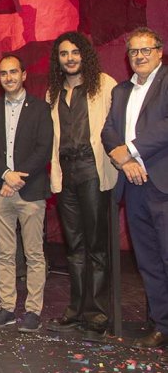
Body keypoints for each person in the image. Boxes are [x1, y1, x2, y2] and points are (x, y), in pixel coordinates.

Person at [46, 32, 118, 339]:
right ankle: (75, 309)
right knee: (74, 248)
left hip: (93, 170)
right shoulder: (54, 92)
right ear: (58, 60)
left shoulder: (104, 84)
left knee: (96, 247)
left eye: (75, 52)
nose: (70, 58)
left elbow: (116, 128)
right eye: (64, 53)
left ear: (84, 54)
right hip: (66, 174)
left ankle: (97, 312)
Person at [102, 27, 168, 348]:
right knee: (149, 261)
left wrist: (133, 151)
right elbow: (109, 131)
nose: (139, 56)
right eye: (134, 52)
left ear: (159, 52)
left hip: (162, 183)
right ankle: (161, 325)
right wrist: (124, 161)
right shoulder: (121, 90)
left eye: (146, 50)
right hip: (133, 185)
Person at [0, 55, 53, 332]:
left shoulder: (40, 109)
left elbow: (43, 148)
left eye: (13, 72)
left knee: (34, 254)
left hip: (30, 190)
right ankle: (6, 308)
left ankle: (33, 311)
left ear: (23, 75)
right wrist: (5, 175)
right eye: (3, 74)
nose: (8, 77)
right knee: (5, 254)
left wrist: (17, 177)